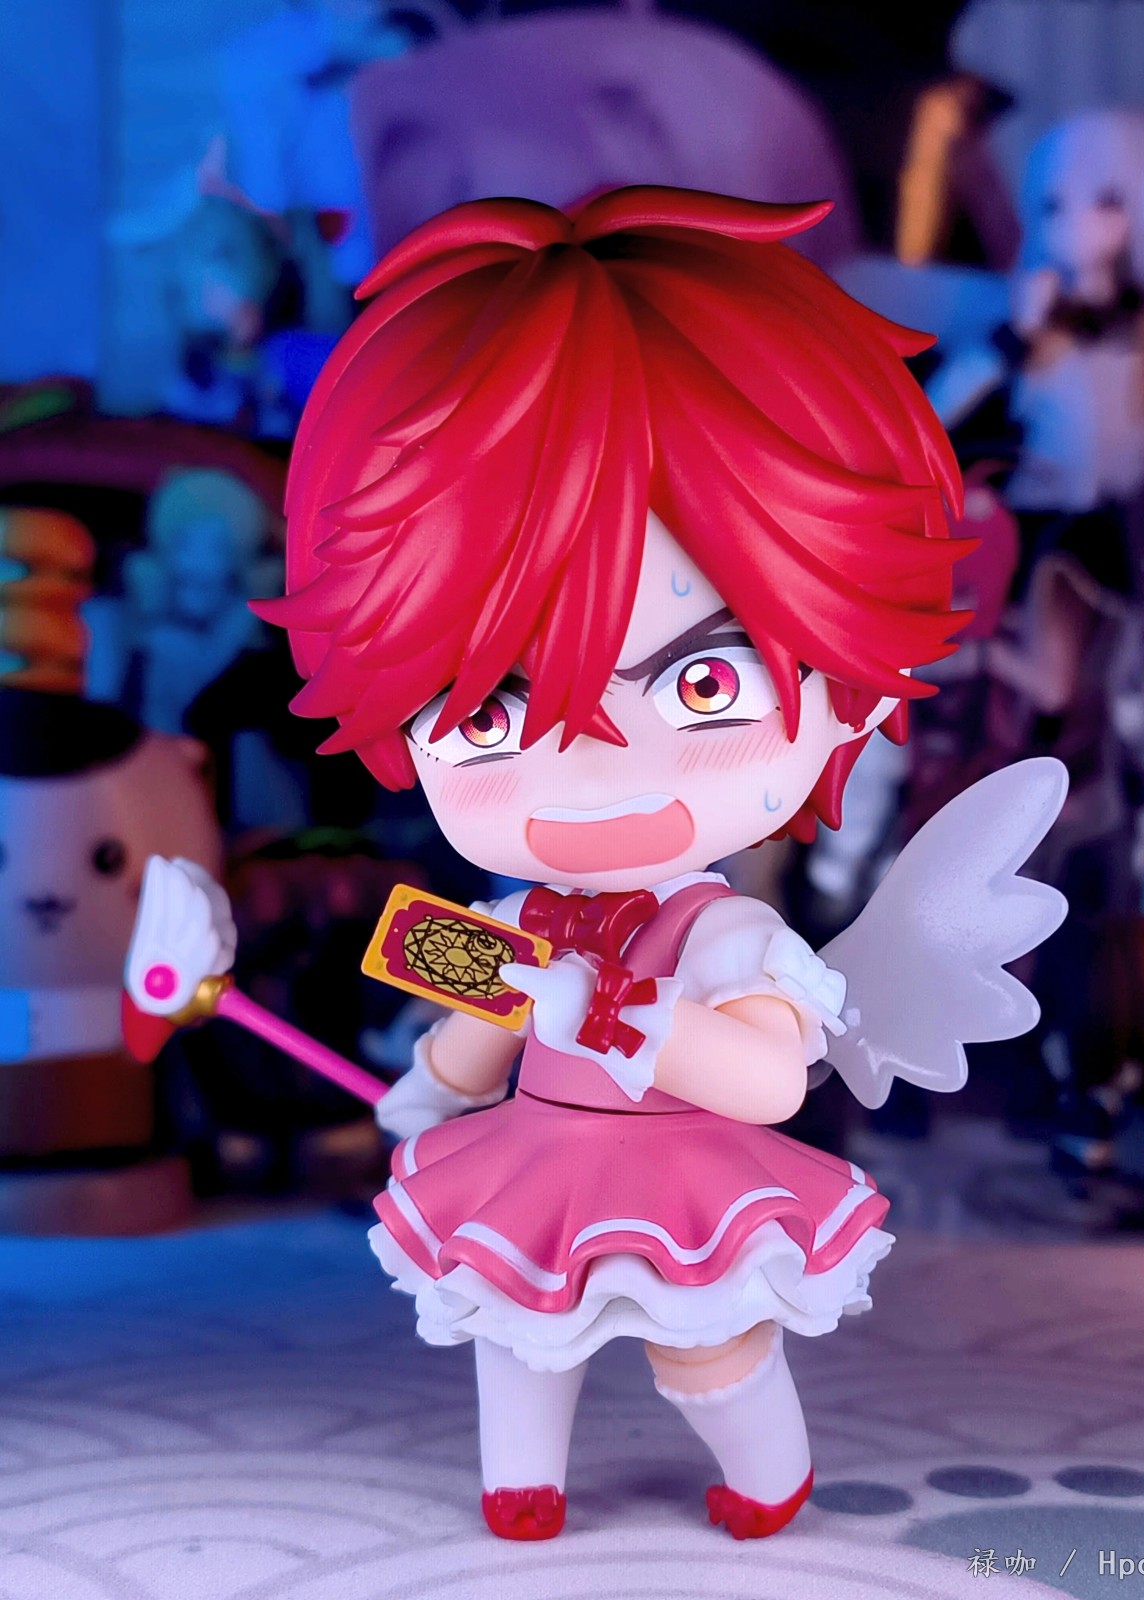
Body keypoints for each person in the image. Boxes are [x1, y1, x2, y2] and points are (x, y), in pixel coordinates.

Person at [126, 188, 1065, 1541]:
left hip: (683, 1168)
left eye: (701, 688)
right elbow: (472, 1028)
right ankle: (523, 1482)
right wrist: (439, 1077)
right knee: (516, 1322)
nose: (591, 776)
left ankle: (766, 1473)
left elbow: (768, 1078)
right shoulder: (512, 912)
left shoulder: (722, 933)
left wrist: (622, 1018)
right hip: (537, 1156)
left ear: (844, 694)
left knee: (707, 1345)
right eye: (488, 715)